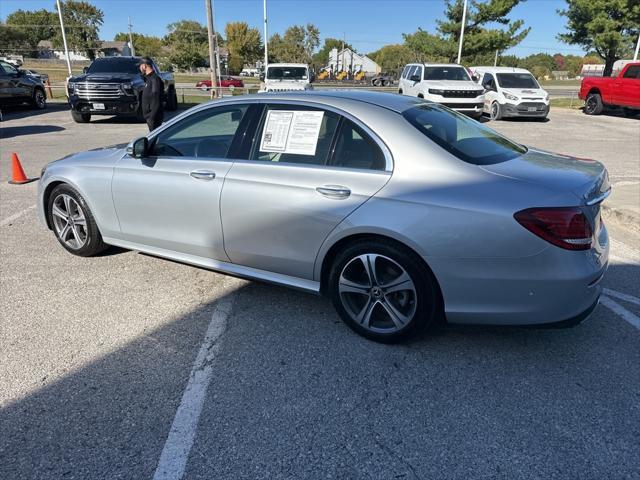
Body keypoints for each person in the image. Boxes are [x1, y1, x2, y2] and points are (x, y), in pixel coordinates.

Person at [139, 57, 164, 131]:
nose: (139, 68)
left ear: (144, 66)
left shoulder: (154, 79)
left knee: (154, 138)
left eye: (140, 66)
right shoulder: (148, 79)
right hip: (149, 116)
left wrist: (151, 116)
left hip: (153, 117)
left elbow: (156, 97)